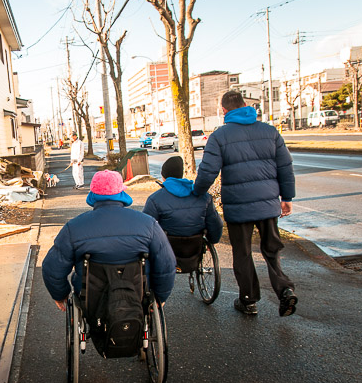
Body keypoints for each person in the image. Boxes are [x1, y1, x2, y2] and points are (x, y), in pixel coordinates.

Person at [193, 90, 297, 317]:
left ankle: (249, 300)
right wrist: (286, 198)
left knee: (243, 253)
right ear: (245, 105)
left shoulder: (219, 136)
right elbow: (285, 166)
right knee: (271, 250)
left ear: (223, 110)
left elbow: (208, 171)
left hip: (238, 207)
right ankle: (285, 289)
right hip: (268, 205)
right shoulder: (270, 131)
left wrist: (196, 192)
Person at [42, 170, 176, 311]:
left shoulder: (73, 228)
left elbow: (52, 268)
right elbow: (166, 264)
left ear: (93, 194)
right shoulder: (149, 224)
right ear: (121, 193)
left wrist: (60, 294)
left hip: (91, 301)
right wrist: (160, 297)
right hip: (138, 297)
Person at [143, 156, 223, 244]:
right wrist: (211, 241)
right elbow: (216, 225)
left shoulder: (155, 199)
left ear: (163, 176)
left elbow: (145, 228)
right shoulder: (204, 197)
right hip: (195, 248)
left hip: (167, 249)